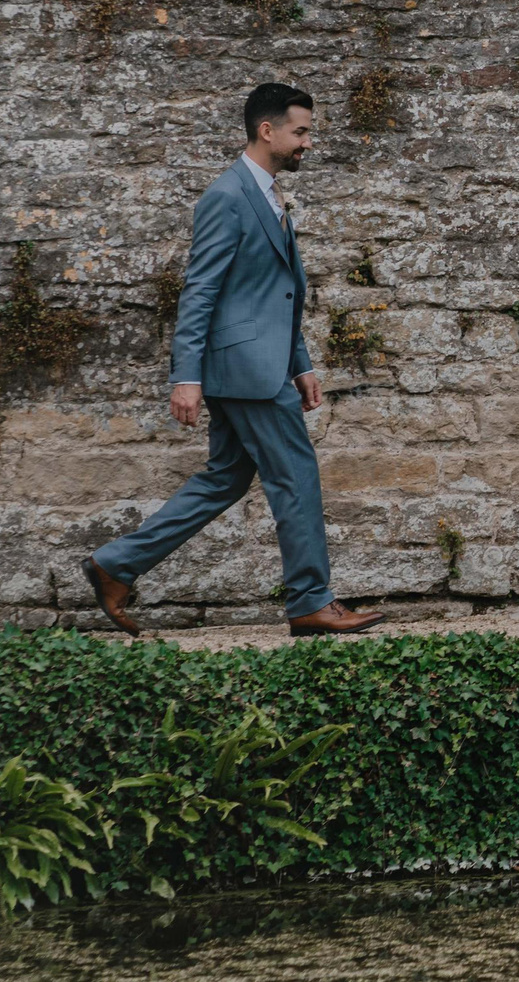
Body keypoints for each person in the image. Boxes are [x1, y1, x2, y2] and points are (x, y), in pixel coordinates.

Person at [81, 82, 382, 639]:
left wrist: (303, 363)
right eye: (301, 131)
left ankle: (115, 565)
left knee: (224, 479)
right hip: (245, 370)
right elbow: (201, 289)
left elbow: (275, 292)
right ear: (267, 131)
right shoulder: (228, 195)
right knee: (296, 476)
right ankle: (312, 601)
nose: (308, 144)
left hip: (262, 362)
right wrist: (186, 375)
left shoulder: (267, 192)